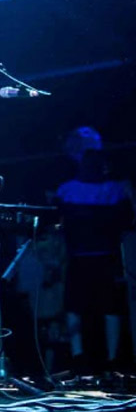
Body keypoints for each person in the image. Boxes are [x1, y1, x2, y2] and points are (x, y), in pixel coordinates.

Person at [54, 126, 134, 371]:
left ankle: (111, 359)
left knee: (109, 307)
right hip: (81, 256)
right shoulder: (69, 189)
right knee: (76, 306)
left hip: (105, 256)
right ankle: (81, 358)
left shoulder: (115, 189)